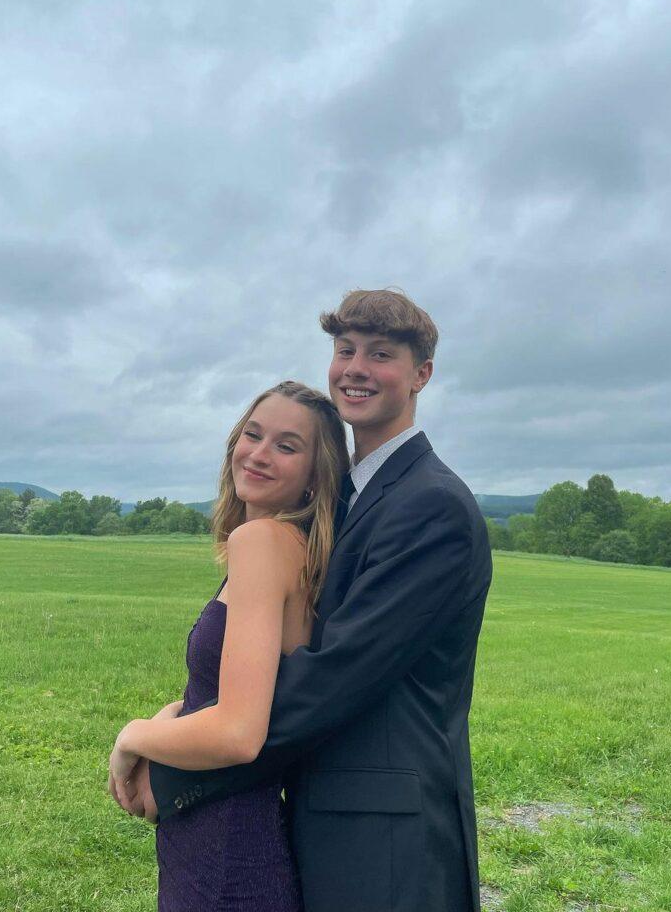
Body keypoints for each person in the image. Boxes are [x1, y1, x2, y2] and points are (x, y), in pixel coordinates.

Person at [113, 288, 493, 912]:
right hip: (309, 815)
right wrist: (181, 712)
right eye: (345, 350)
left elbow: (331, 678)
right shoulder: (348, 501)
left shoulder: (432, 506)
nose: (356, 368)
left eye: (381, 354)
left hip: (383, 837)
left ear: (422, 374)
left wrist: (171, 762)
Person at [109, 380, 349, 911]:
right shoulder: (295, 550)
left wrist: (133, 737)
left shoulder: (262, 543)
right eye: (253, 434)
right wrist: (175, 712)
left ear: (315, 478)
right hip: (222, 835)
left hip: (226, 847)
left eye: (287, 446)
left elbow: (240, 733)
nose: (259, 454)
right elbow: (246, 691)